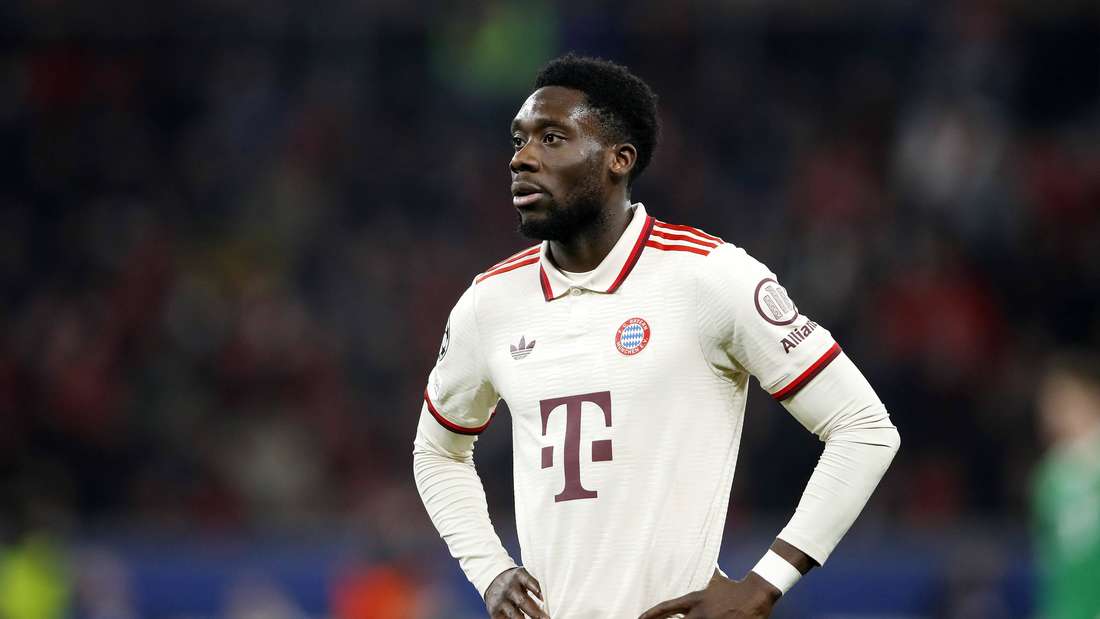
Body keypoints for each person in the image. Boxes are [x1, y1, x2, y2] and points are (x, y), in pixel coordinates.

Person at [412, 53, 900, 619]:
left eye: (552, 139)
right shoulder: (489, 304)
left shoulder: (709, 276)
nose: (522, 158)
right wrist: (490, 570)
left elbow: (864, 428)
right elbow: (436, 452)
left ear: (619, 160)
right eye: (519, 140)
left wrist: (766, 582)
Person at [1033, 353, 1100, 619]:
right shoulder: (1049, 476)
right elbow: (1051, 561)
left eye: (1066, 401)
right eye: (1050, 404)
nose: (1056, 414)